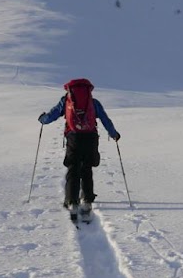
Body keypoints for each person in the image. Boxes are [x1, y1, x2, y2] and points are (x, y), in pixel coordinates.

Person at [37, 78, 120, 218]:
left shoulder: (66, 101)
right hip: (91, 138)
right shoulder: (93, 102)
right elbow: (105, 119)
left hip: (73, 138)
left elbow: (53, 115)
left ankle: (72, 202)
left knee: (73, 168)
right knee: (87, 168)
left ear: (69, 89)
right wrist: (114, 134)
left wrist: (43, 119)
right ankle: (87, 200)